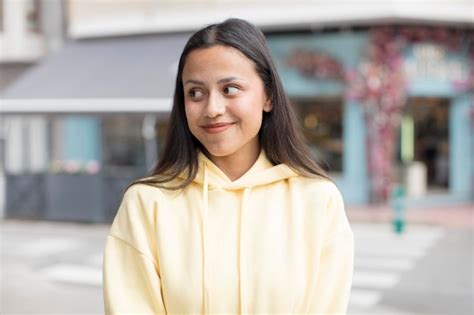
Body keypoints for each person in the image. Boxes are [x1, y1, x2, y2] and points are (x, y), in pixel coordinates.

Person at [103, 18, 354, 314]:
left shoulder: (318, 200)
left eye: (230, 89)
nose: (212, 109)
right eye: (195, 92)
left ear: (269, 96)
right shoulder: (147, 204)